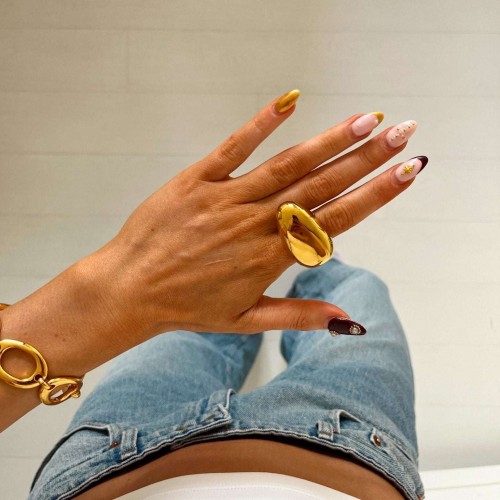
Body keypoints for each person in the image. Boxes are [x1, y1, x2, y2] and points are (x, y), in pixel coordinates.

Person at [0, 90, 427, 499]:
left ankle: (257, 275)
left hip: (111, 453)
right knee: (357, 289)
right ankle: (316, 266)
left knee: (193, 323)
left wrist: (122, 291)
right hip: (350, 445)